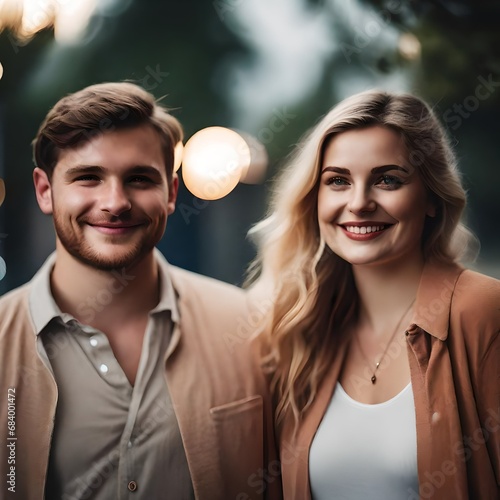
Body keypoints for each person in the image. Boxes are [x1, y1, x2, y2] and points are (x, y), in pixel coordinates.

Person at [0, 82, 282, 500]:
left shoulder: (252, 328)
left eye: (138, 178)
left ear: (170, 193)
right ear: (45, 191)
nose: (115, 202)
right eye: (88, 177)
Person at [248, 90, 499, 499]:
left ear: (432, 198)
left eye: (388, 180)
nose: (359, 202)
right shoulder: (299, 332)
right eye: (338, 181)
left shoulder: (483, 312)